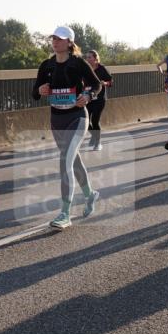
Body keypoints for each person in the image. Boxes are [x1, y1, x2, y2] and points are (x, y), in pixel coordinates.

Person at [32, 26, 103, 229]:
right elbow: (35, 92)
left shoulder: (78, 63)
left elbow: (97, 85)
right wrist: (40, 89)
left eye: (60, 39)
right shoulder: (46, 65)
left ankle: (65, 213)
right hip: (57, 120)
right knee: (74, 161)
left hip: (77, 118)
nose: (55, 41)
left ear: (70, 43)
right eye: (53, 38)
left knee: (65, 162)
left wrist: (88, 96)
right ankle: (90, 195)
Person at [84, 50, 113, 151]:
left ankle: (98, 143)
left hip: (99, 99)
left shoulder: (102, 68)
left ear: (96, 59)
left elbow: (110, 81)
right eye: (86, 57)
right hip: (88, 98)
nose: (87, 59)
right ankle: (94, 135)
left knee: (95, 121)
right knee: (85, 121)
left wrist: (104, 83)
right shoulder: (85, 69)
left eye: (89, 57)